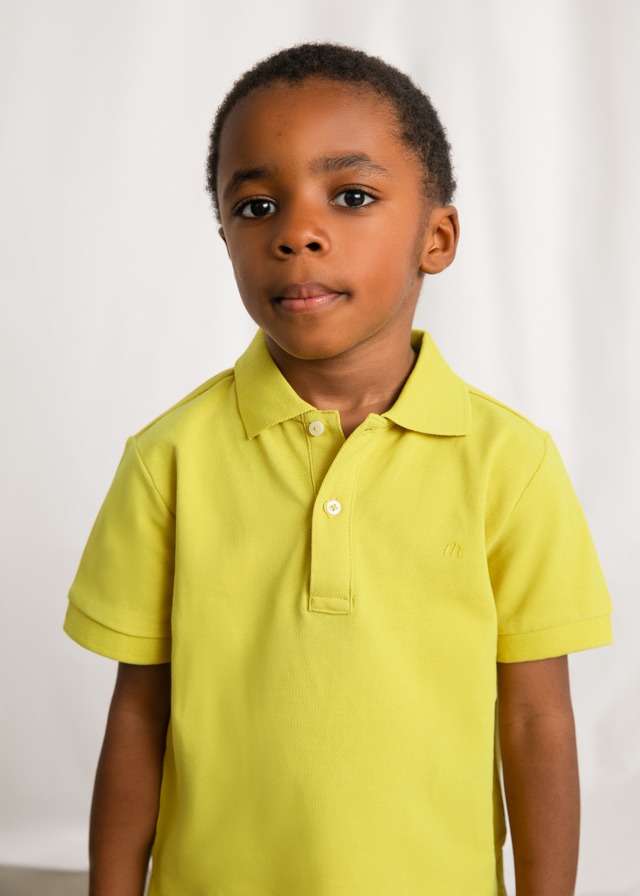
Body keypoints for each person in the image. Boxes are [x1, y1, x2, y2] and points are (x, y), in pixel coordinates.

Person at [64, 42, 613, 896]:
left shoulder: (512, 464)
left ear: (437, 238)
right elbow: (138, 714)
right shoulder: (166, 459)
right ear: (226, 239)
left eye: (351, 196)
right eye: (256, 207)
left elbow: (539, 720)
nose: (296, 233)